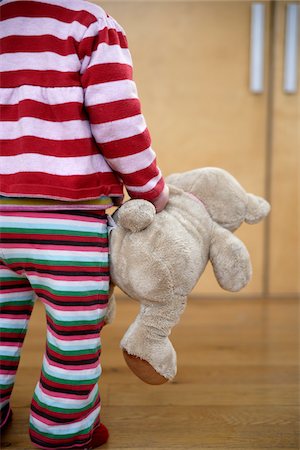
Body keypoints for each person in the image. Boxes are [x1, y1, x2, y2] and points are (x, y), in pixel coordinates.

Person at [0, 0, 169, 448]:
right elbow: (118, 124)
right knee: (71, 336)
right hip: (68, 223)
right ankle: (62, 432)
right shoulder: (91, 25)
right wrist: (152, 190)